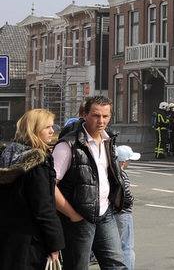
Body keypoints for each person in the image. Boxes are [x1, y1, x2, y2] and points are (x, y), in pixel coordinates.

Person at [53, 96, 126, 269]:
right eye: (96, 115)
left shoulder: (109, 141)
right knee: (77, 266)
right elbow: (49, 186)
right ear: (85, 115)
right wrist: (72, 214)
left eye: (105, 116)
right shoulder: (68, 145)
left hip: (104, 212)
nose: (101, 121)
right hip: (79, 217)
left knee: (116, 264)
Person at [0, 109, 65, 270]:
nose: (52, 131)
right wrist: (55, 244)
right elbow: (43, 208)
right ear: (34, 129)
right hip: (29, 241)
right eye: (47, 127)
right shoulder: (37, 163)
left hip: (6, 235)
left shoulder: (7, 154)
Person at [114, 145, 139, 270]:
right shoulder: (122, 174)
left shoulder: (110, 172)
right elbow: (127, 195)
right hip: (123, 213)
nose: (129, 163)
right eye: (129, 160)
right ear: (123, 162)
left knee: (115, 246)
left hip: (112, 212)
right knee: (127, 246)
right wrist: (131, 202)